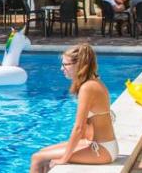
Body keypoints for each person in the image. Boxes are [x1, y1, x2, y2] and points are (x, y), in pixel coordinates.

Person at [29, 44, 117, 173]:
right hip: (98, 144)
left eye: (65, 64)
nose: (62, 68)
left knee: (37, 158)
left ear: (79, 65)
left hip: (102, 150)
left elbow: (79, 128)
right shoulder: (93, 82)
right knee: (42, 152)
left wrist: (64, 158)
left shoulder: (88, 88)